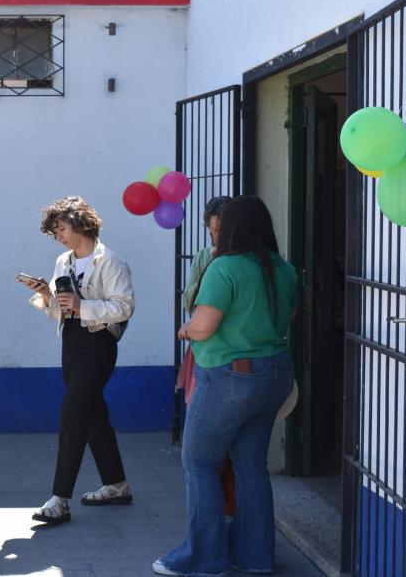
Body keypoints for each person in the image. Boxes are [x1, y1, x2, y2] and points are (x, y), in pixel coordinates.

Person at [153, 195, 298, 577]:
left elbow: (202, 325)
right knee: (251, 466)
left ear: (231, 227)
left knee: (199, 462)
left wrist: (186, 329)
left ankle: (203, 559)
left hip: (231, 374)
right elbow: (289, 317)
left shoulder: (224, 267)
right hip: (276, 372)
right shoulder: (284, 269)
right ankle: (254, 558)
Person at [20, 196, 135, 526]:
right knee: (92, 413)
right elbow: (62, 309)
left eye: (62, 227)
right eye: (54, 229)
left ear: (81, 224)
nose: (58, 234)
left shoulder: (110, 262)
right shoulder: (63, 261)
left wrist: (83, 306)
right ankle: (117, 484)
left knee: (72, 412)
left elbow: (124, 307)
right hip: (71, 342)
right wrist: (46, 295)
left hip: (98, 343)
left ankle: (60, 499)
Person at [176, 196, 237, 516]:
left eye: (225, 219)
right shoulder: (204, 257)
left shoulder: (244, 261)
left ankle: (224, 502)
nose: (219, 224)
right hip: (203, 347)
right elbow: (190, 301)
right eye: (215, 218)